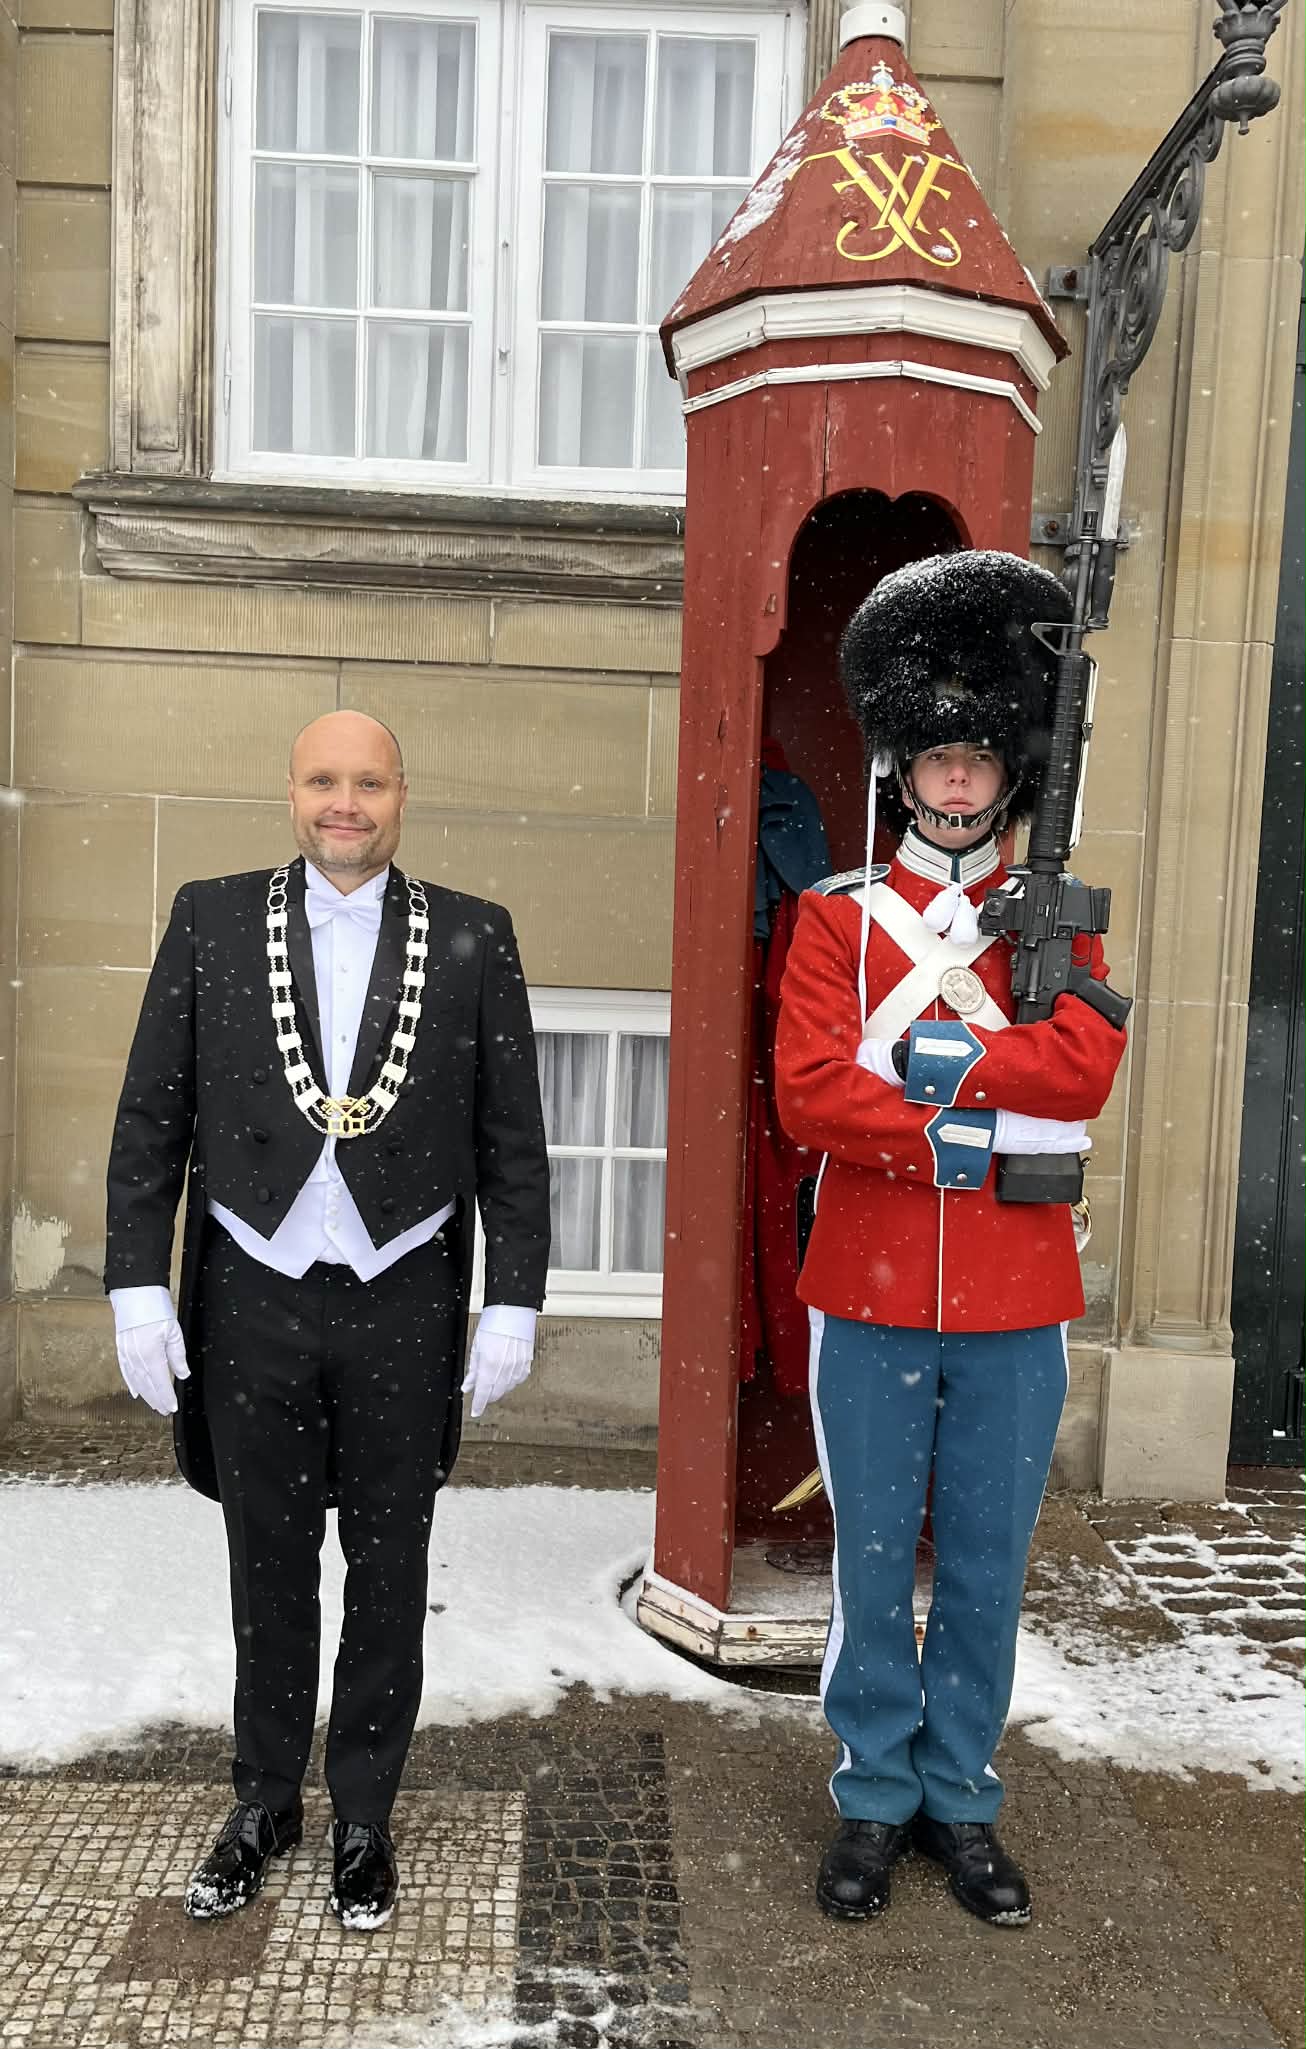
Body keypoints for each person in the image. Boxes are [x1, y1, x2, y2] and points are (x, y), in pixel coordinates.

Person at [105, 710, 551, 1931]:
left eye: (366, 781)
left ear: (402, 793)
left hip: (404, 1293)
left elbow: (513, 1143)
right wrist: (136, 1285)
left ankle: (363, 1808)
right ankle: (262, 1799)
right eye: (321, 780)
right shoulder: (209, 915)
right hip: (249, 1292)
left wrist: (511, 1295)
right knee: (267, 1564)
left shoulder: (470, 936)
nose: (342, 802)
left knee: (390, 1569)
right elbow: (152, 1118)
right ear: (291, 792)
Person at [774, 551, 1127, 1928]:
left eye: (982, 757)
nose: (960, 783)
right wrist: (966, 1120)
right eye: (938, 757)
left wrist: (928, 1080)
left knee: (982, 1564)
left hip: (1014, 1297)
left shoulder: (1056, 923)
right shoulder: (834, 919)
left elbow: (1081, 1074)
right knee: (870, 1560)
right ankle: (871, 1792)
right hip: (861, 1292)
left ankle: (959, 1795)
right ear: (903, 767)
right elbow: (808, 1089)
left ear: (1008, 771)